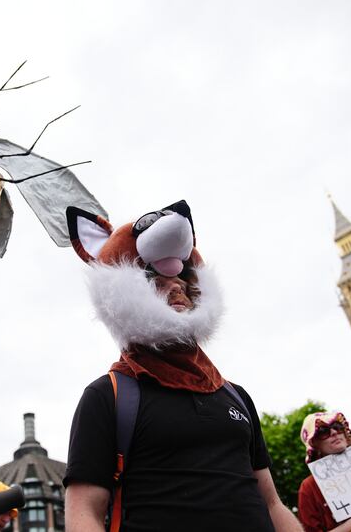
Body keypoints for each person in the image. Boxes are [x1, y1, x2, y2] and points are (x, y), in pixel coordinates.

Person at [63, 201, 302, 531]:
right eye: (153, 276)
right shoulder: (109, 395)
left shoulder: (237, 397)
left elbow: (272, 503)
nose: (176, 284)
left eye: (183, 275)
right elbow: (84, 512)